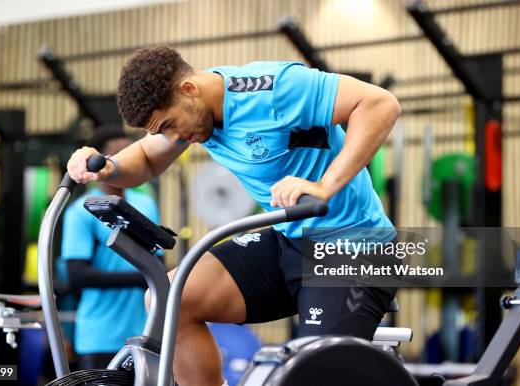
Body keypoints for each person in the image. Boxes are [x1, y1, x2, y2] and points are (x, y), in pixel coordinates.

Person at [67, 46, 401, 386]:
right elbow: (147, 159)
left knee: (309, 374)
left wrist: (325, 185)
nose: (174, 139)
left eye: (169, 125)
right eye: (162, 132)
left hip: (353, 248)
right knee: (167, 299)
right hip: (289, 240)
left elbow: (379, 104)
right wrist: (107, 168)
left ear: (188, 90)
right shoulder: (197, 113)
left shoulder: (276, 89)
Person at [61, 125, 160, 370]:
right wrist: (143, 277)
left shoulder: (146, 204)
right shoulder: (80, 211)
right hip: (100, 335)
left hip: (145, 333)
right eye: (117, 155)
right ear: (99, 162)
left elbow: (158, 262)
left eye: (129, 153)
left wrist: (153, 276)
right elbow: (77, 276)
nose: (125, 161)